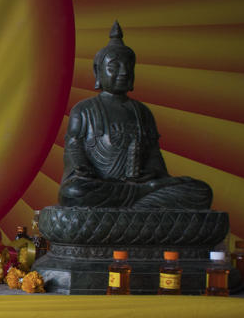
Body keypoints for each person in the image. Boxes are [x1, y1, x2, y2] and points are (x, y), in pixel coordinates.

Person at [58, 21, 211, 210]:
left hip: (140, 186)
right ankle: (141, 203)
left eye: (128, 67)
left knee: (200, 191)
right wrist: (83, 169)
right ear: (98, 72)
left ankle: (139, 201)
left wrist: (152, 174)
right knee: (73, 192)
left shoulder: (142, 113)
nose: (123, 72)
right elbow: (74, 149)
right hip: (100, 187)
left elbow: (154, 157)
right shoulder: (84, 110)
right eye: (114, 67)